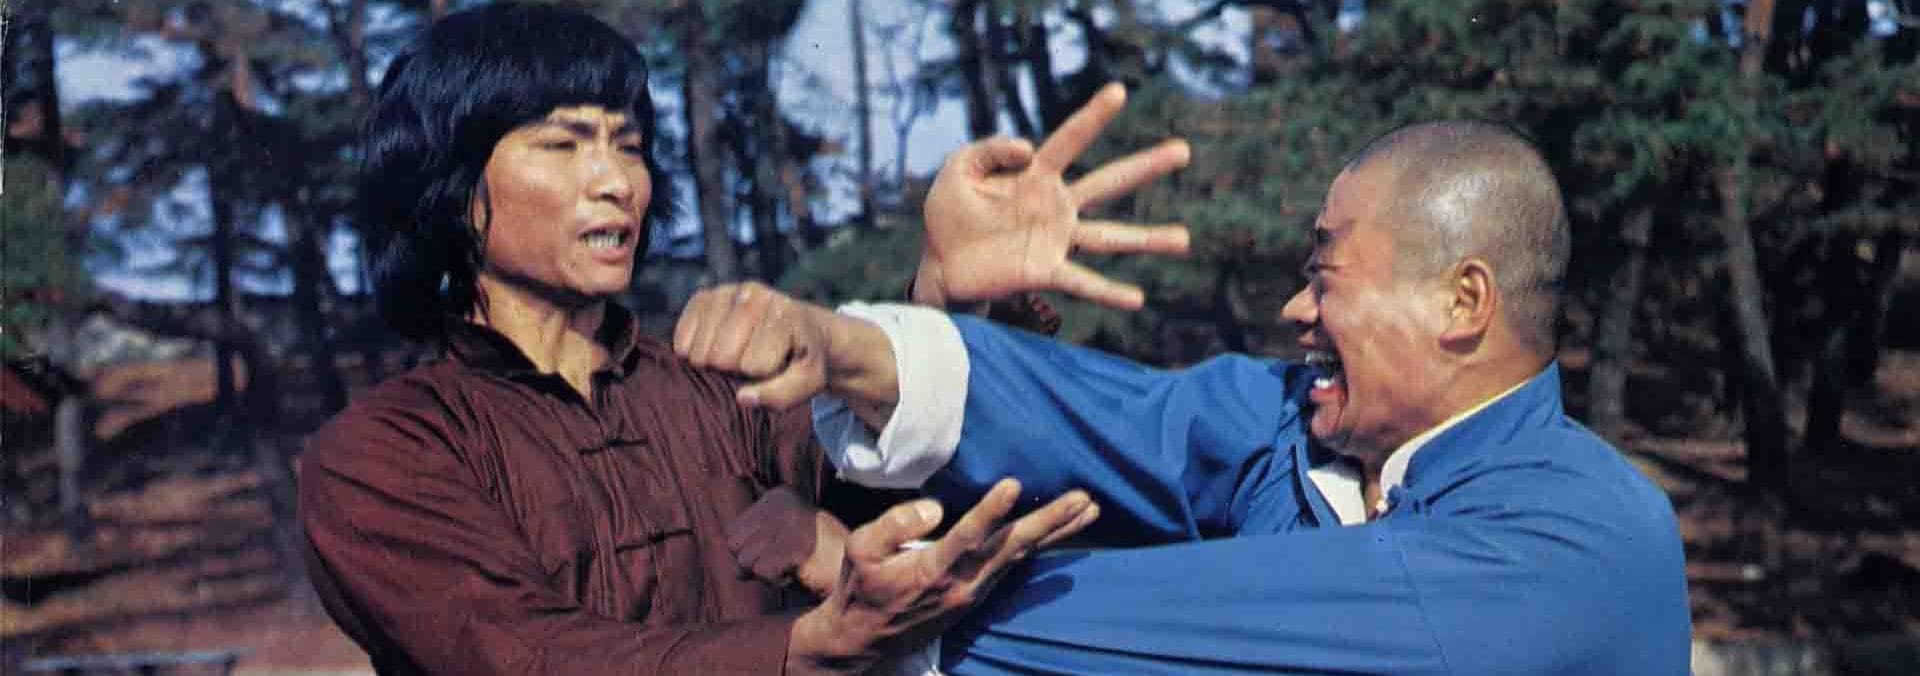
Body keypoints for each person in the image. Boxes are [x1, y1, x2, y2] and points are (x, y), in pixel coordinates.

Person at [295, 4, 1193, 674]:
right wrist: (803, 651)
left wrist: (946, 305)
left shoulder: (725, 390)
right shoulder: (383, 454)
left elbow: (889, 481)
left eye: (629, 145)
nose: (616, 182)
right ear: (455, 189)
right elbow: (523, 654)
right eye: (563, 146)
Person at [677, 114, 1693, 673]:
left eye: (1325, 273)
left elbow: (1228, 622)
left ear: (1461, 301)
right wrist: (848, 344)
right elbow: (1119, 415)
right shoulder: (1305, 434)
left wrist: (906, 614)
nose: (1297, 310)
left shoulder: (1589, 538)